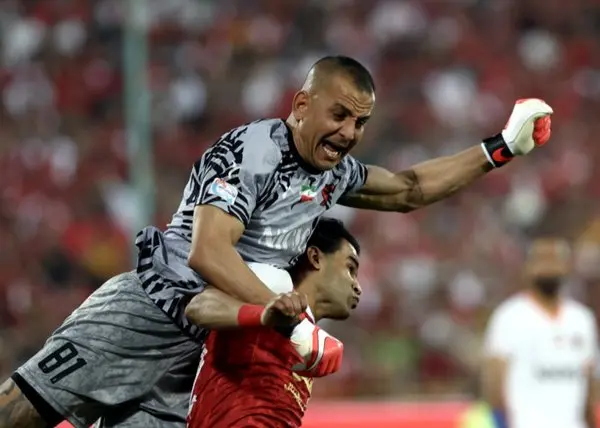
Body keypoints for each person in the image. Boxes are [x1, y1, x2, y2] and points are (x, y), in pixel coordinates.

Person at [0, 55, 553, 428]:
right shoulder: (254, 151)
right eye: (339, 115)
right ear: (301, 105)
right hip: (147, 313)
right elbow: (208, 251)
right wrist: (294, 323)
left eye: (360, 122)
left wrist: (502, 147)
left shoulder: (332, 175)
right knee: (21, 411)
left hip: (203, 347)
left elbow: (410, 188)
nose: (348, 133)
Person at [186, 218, 361, 428]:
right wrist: (263, 315)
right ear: (315, 257)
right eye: (350, 268)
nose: (357, 286)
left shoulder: (307, 337)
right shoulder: (275, 283)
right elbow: (199, 306)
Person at [481, 238, 598, 428]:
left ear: (567, 267)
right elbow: (494, 387)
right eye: (542, 261)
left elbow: (589, 385)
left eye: (555, 261)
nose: (549, 268)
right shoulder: (509, 317)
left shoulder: (581, 319)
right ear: (528, 268)